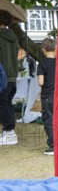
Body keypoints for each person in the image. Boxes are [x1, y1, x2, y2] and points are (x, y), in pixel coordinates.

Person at [0, 10, 20, 146]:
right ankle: (9, 132)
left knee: (2, 103)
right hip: (12, 75)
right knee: (7, 103)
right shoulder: (14, 37)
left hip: (2, 75)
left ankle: (10, 132)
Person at [37, 38, 56, 156]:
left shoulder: (42, 63)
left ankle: (53, 145)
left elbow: (41, 82)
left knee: (49, 120)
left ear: (43, 49)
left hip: (47, 95)